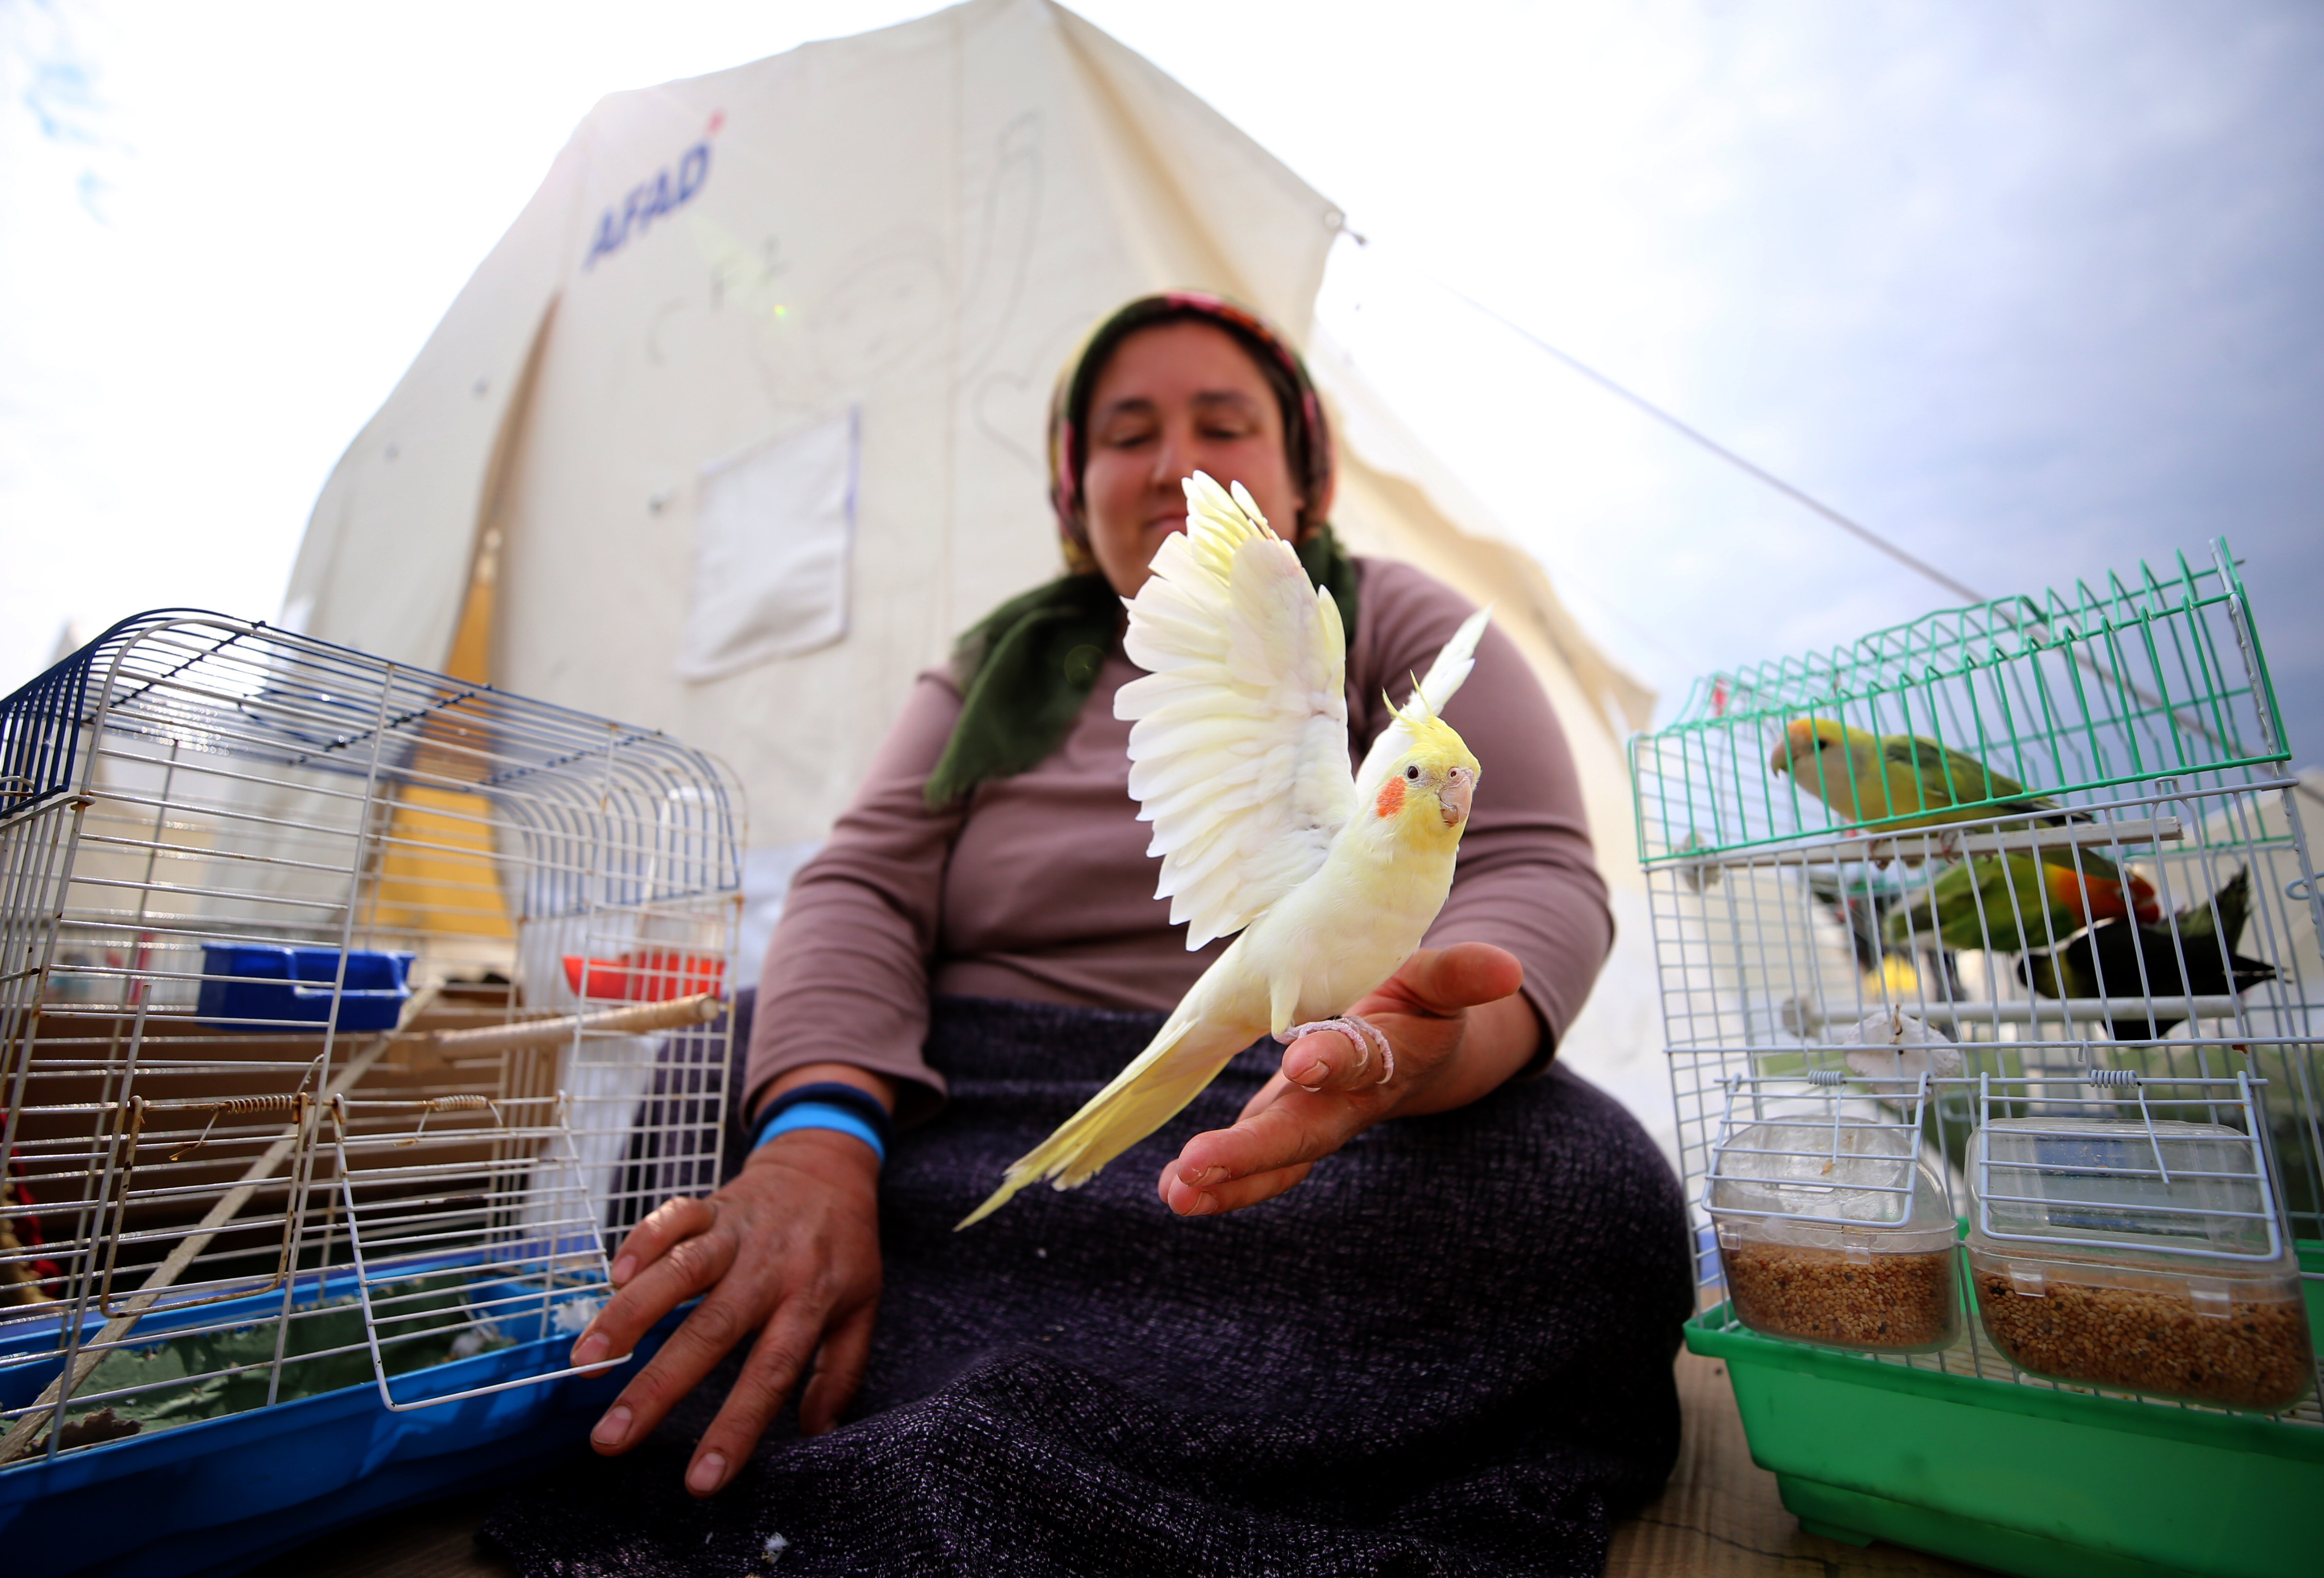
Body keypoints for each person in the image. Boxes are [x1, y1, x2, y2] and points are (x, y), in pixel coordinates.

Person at [486, 294, 1689, 1578]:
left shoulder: (1391, 623)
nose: (1176, 461)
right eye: (1130, 433)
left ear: (1303, 471)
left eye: (1223, 424)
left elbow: (1534, 868)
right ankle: (1179, 1412)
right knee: (702, 1091)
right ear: (1076, 488)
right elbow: (863, 890)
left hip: (1312, 1099)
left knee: (1590, 1196)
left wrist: (1429, 1055)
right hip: (969, 1094)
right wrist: (818, 1149)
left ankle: (938, 1377)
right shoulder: (988, 672)